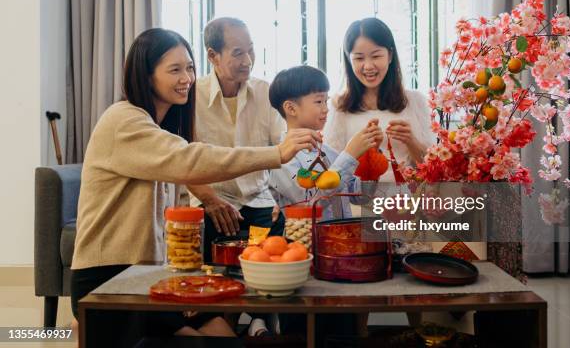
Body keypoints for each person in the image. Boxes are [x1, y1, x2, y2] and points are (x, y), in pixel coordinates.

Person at [70, 28, 320, 342]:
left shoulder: (158, 124)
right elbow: (191, 159)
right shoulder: (124, 121)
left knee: (223, 332)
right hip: (110, 278)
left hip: (148, 276)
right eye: (174, 70)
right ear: (146, 76)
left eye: (189, 68)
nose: (186, 77)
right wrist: (276, 154)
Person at [187, 17, 286, 258]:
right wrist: (209, 199)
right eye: (238, 53)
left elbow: (284, 147)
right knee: (215, 266)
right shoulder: (192, 97)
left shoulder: (265, 92)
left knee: (263, 258)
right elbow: (181, 158)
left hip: (258, 203)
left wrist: (280, 198)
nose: (248, 60)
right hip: (212, 202)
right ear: (213, 56)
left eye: (250, 49)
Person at [324, 17, 436, 181]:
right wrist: (356, 148)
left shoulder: (414, 101)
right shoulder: (339, 105)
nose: (368, 66)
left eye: (376, 56)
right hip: (358, 202)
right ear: (349, 60)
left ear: (390, 56)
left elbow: (433, 167)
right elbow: (331, 170)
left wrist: (410, 140)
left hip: (406, 199)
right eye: (359, 58)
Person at [268, 65, 383, 220]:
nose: (326, 109)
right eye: (318, 101)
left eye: (326, 101)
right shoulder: (282, 160)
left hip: (340, 238)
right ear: (291, 108)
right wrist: (349, 155)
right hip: (305, 242)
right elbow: (311, 203)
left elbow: (361, 197)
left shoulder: (327, 151)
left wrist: (372, 157)